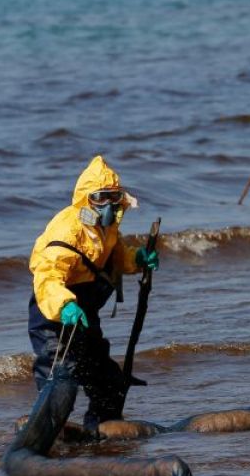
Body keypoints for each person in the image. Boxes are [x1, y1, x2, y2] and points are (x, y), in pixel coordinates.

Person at [28, 155, 159, 436]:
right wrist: (64, 305)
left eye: (113, 197)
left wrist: (136, 258)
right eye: (100, 198)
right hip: (54, 312)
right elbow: (47, 275)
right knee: (59, 377)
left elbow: (114, 256)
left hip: (84, 314)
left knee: (108, 380)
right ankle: (44, 435)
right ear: (86, 200)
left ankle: (101, 432)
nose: (108, 205)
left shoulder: (106, 229)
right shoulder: (67, 231)